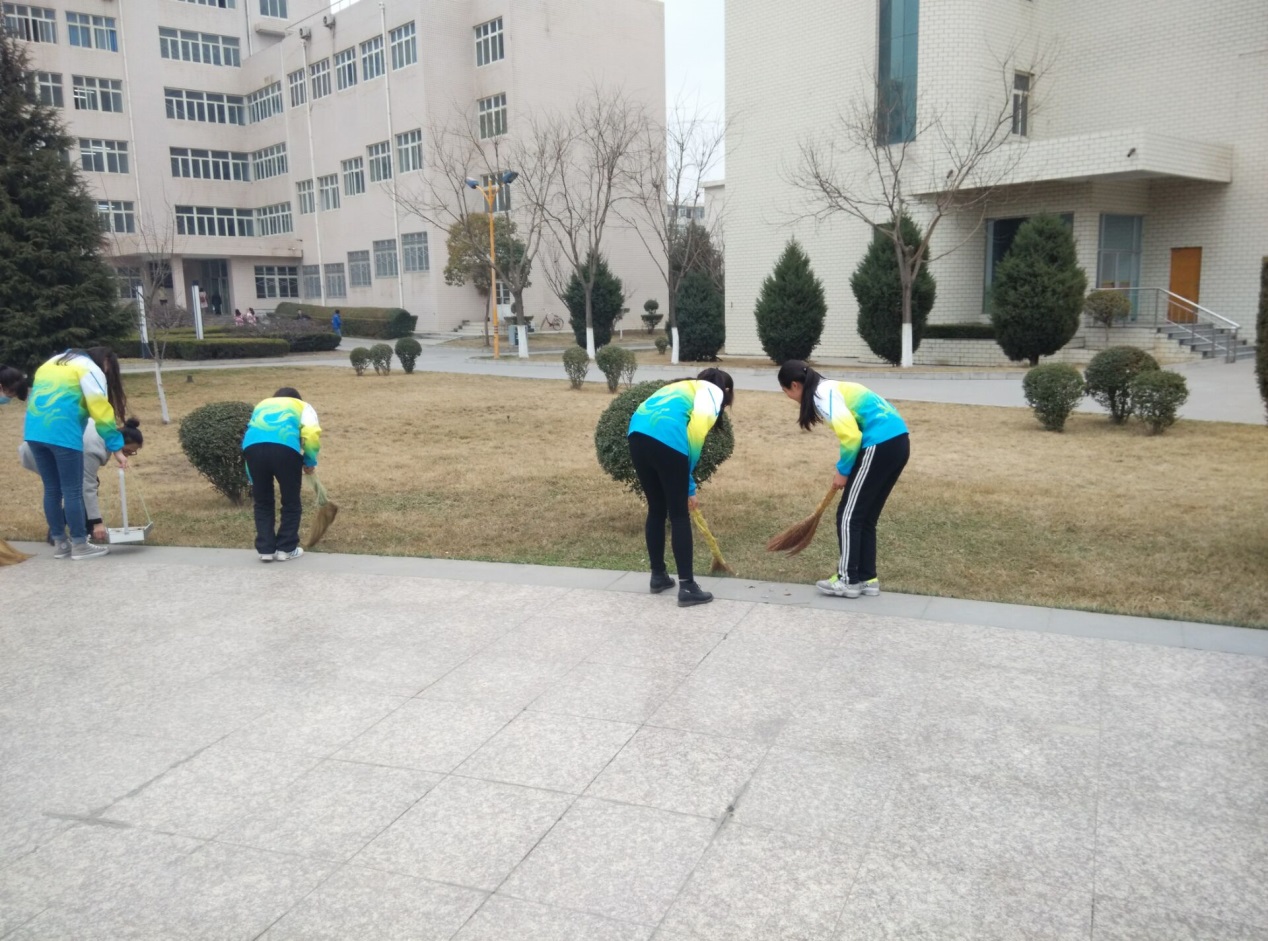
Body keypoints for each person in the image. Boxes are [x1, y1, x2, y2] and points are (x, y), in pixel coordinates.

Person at [776, 360, 910, 599]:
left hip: (880, 443)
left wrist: (843, 470)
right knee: (864, 516)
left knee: (848, 516)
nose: (788, 396)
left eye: (785, 391)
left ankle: (848, 580)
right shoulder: (831, 387)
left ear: (794, 385)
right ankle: (867, 579)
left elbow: (850, 436)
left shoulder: (821, 395)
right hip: (898, 442)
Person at [626, 368, 734, 607]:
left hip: (636, 435)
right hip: (666, 438)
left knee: (656, 509)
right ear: (726, 390)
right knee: (679, 515)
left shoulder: (683, 386)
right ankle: (687, 587)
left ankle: (658, 576)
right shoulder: (713, 393)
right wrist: (689, 488)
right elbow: (694, 440)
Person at [23, 348, 129, 560]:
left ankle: (61, 544)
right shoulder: (89, 368)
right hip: (63, 433)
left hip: (34, 432)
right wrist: (116, 447)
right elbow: (100, 410)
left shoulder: (50, 363)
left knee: (52, 490)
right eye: (109, 367)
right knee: (73, 491)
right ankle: (80, 545)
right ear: (104, 360)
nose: (108, 372)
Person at [20, 419, 142, 543]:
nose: (127, 456)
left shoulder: (105, 429)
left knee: (71, 488)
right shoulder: (93, 447)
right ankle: (65, 535)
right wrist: (97, 522)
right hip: (43, 452)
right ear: (120, 441)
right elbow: (88, 487)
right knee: (73, 490)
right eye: (127, 451)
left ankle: (74, 532)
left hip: (42, 442)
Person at [241, 387, 321, 562]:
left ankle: (265, 550)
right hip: (285, 448)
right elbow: (311, 434)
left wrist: (251, 477)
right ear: (298, 398)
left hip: (252, 449)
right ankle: (286, 548)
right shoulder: (303, 406)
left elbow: (250, 431)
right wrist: (309, 462)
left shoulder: (262, 405)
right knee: (291, 501)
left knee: (262, 502)